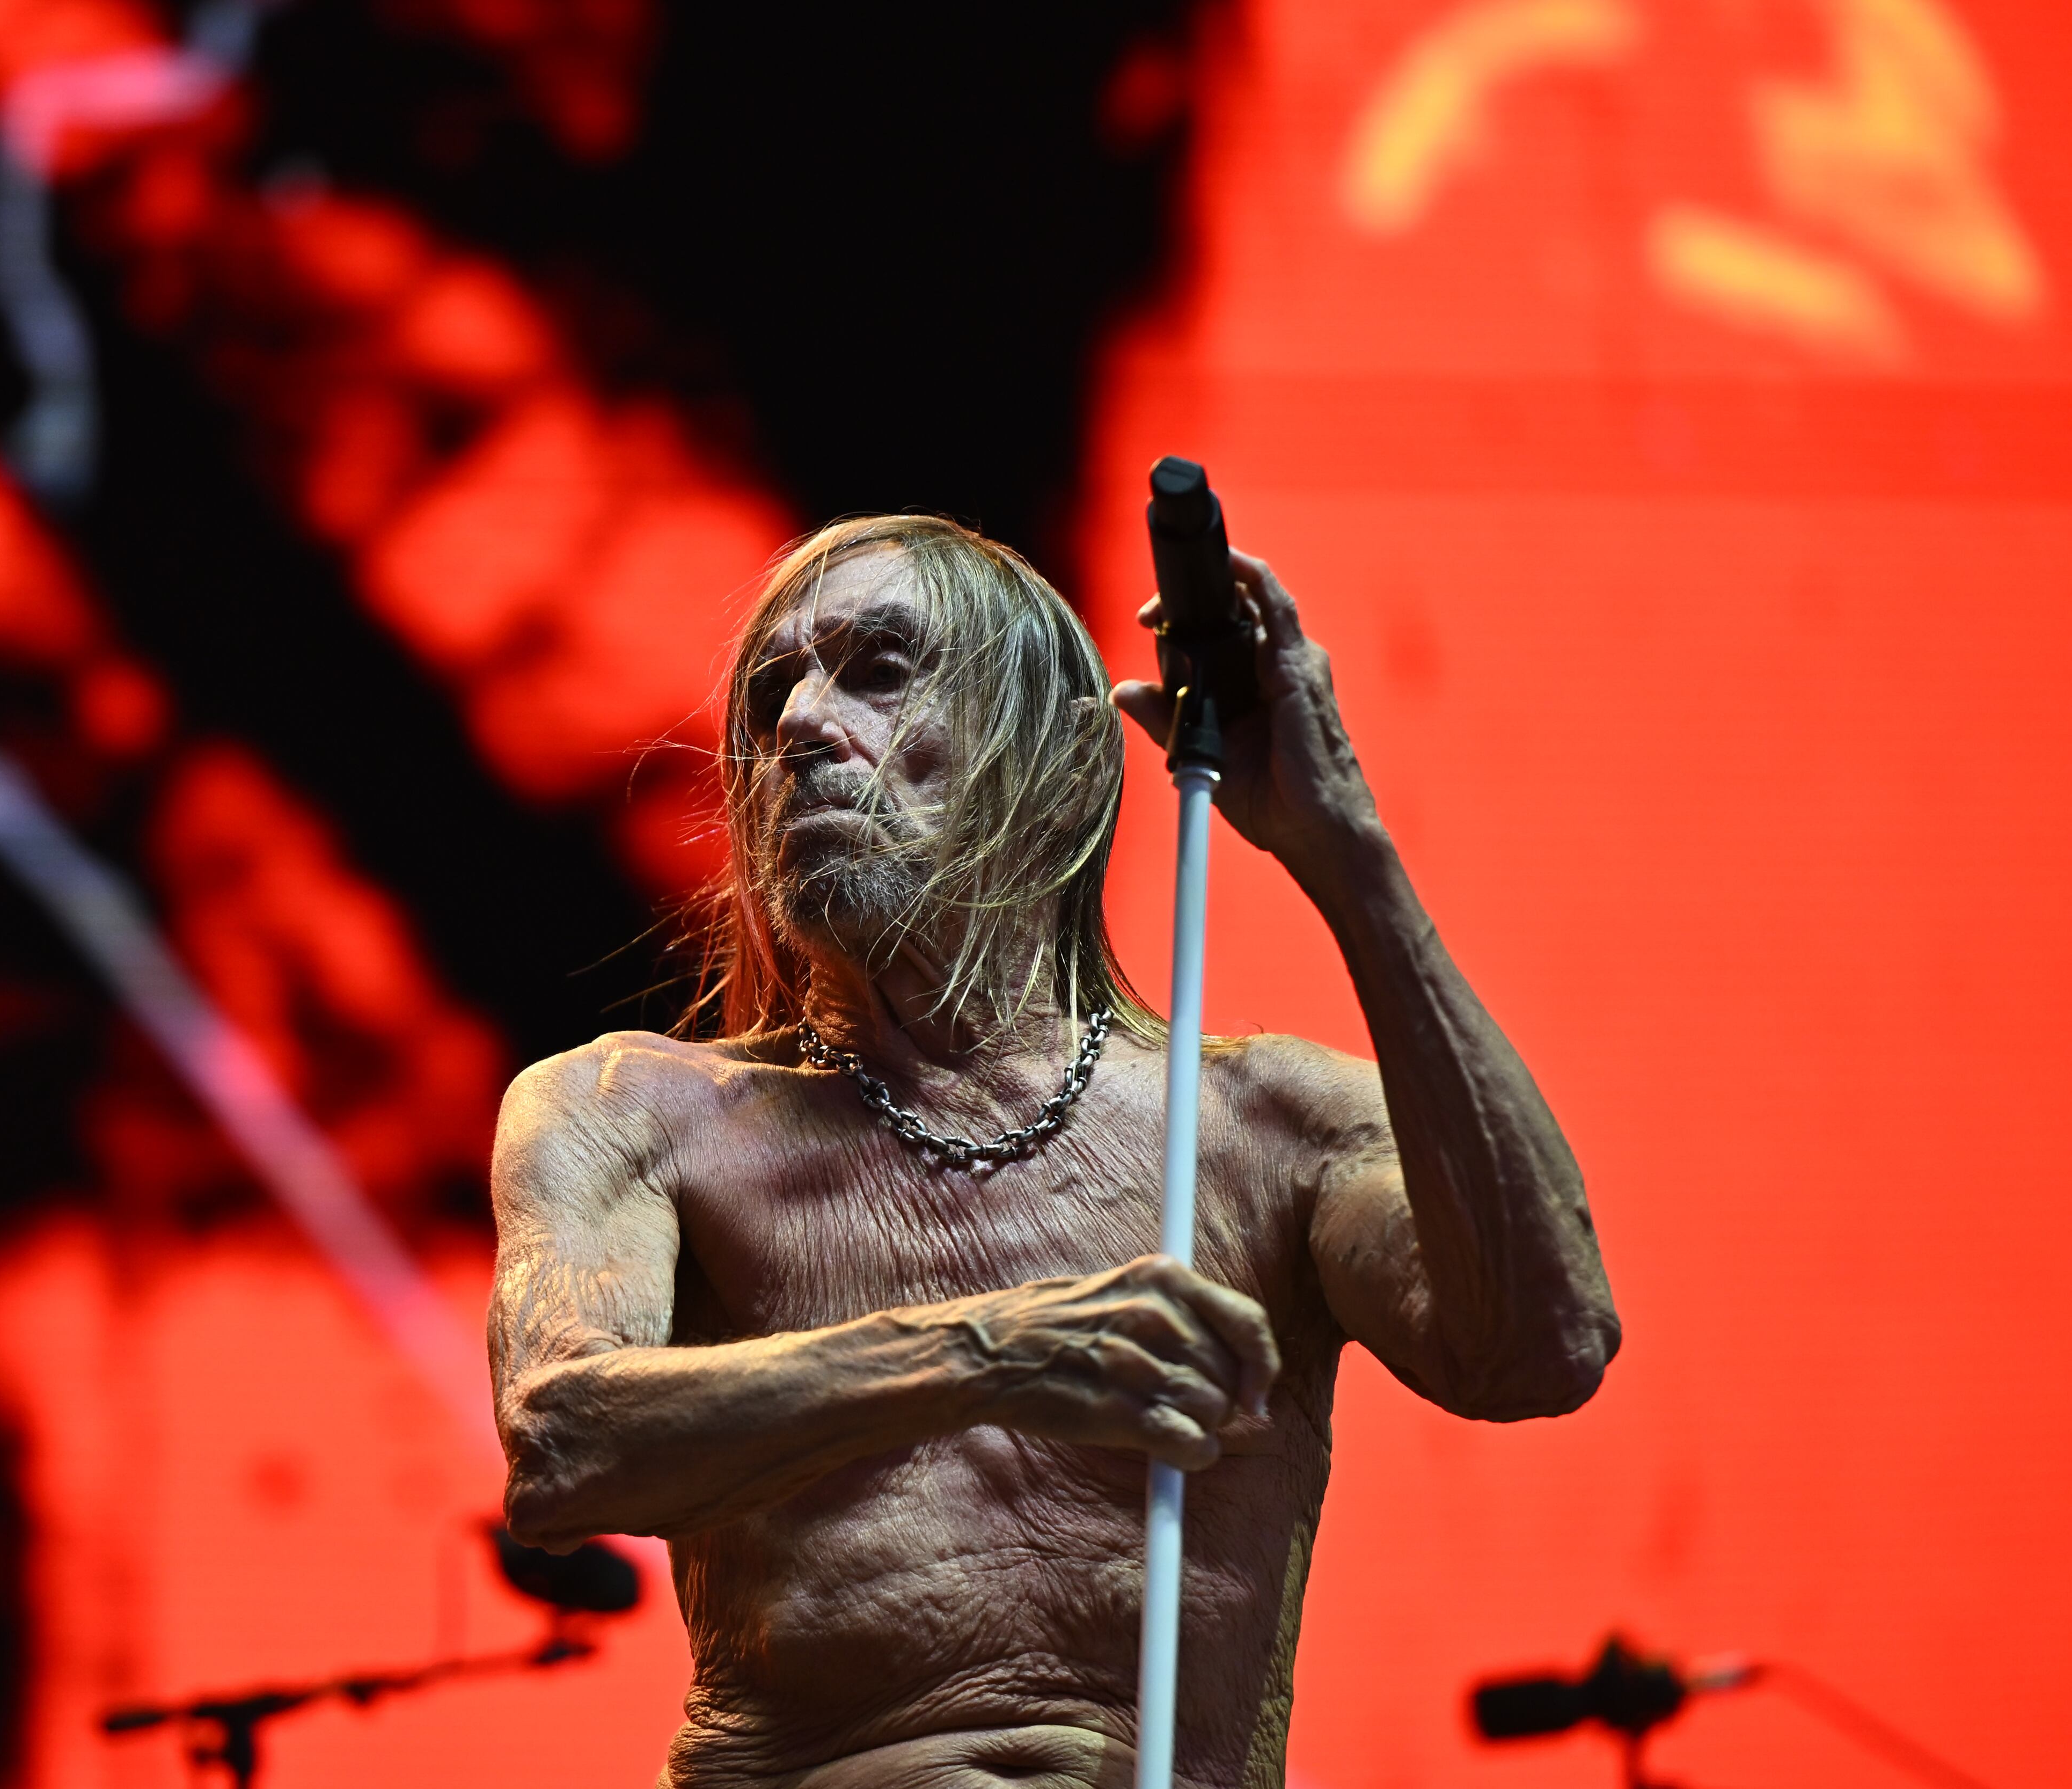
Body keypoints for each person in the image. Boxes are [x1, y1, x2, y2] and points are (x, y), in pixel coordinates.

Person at [486, 514, 1620, 1788]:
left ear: (1063, 762)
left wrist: (1342, 846)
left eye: (876, 667)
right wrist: (989, 1351)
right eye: (770, 693)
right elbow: (562, 1444)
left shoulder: (1259, 1129)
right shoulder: (631, 1110)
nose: (797, 723)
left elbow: (1542, 1342)